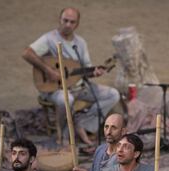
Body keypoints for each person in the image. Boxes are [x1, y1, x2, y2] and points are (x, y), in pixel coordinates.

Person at [22, 7, 120, 151]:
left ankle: (83, 124)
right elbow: (27, 53)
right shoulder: (49, 39)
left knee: (113, 94)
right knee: (65, 99)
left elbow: (86, 69)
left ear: (77, 24)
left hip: (79, 87)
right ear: (59, 20)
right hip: (55, 88)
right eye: (65, 20)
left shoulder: (80, 43)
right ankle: (62, 134)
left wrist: (95, 72)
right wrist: (48, 70)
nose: (68, 24)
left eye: (72, 22)